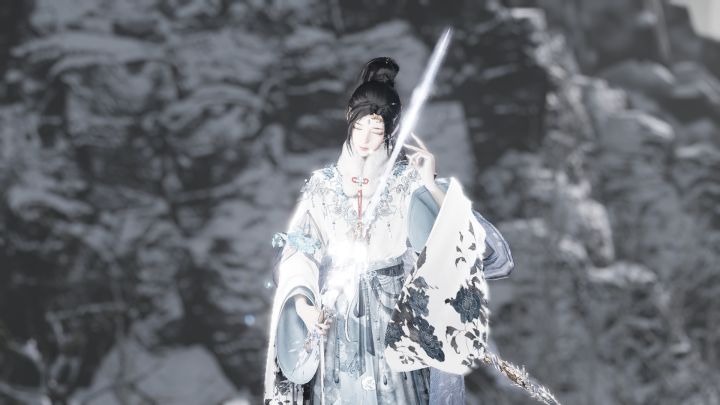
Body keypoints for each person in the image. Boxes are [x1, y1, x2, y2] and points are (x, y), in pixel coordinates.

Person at [263, 57, 516, 405]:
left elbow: (464, 244)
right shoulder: (322, 187)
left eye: (376, 130)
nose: (366, 139)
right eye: (360, 127)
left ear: (389, 132)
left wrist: (431, 187)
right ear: (350, 122)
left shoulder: (406, 183)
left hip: (395, 316)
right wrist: (304, 306)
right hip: (339, 319)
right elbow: (299, 253)